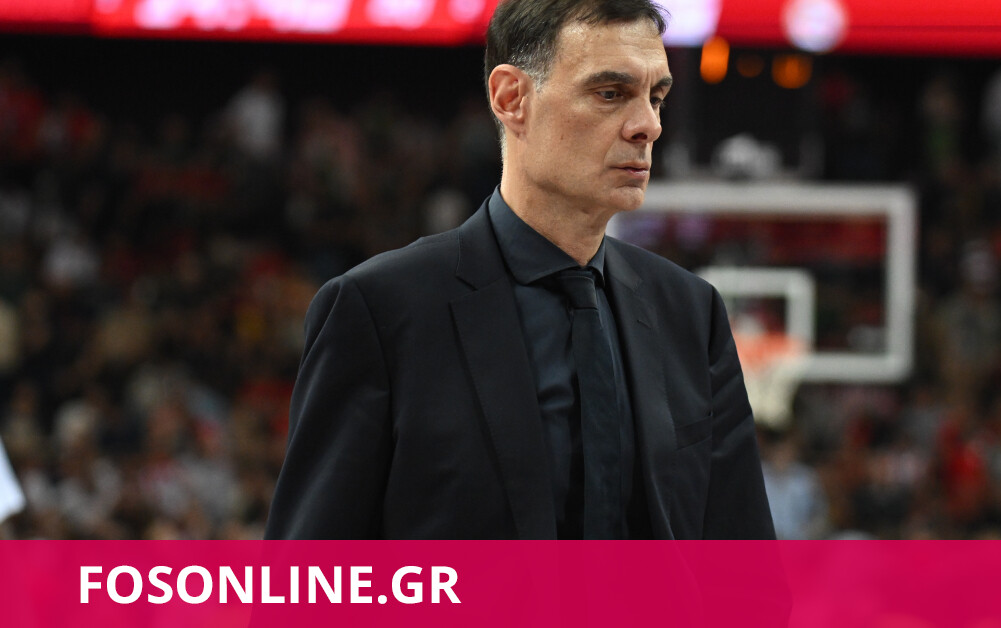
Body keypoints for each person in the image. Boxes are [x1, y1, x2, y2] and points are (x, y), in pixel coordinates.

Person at [265, 0, 773, 539]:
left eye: (656, 97)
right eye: (610, 93)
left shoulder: (691, 312)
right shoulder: (379, 310)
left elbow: (743, 565)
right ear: (512, 99)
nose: (648, 125)